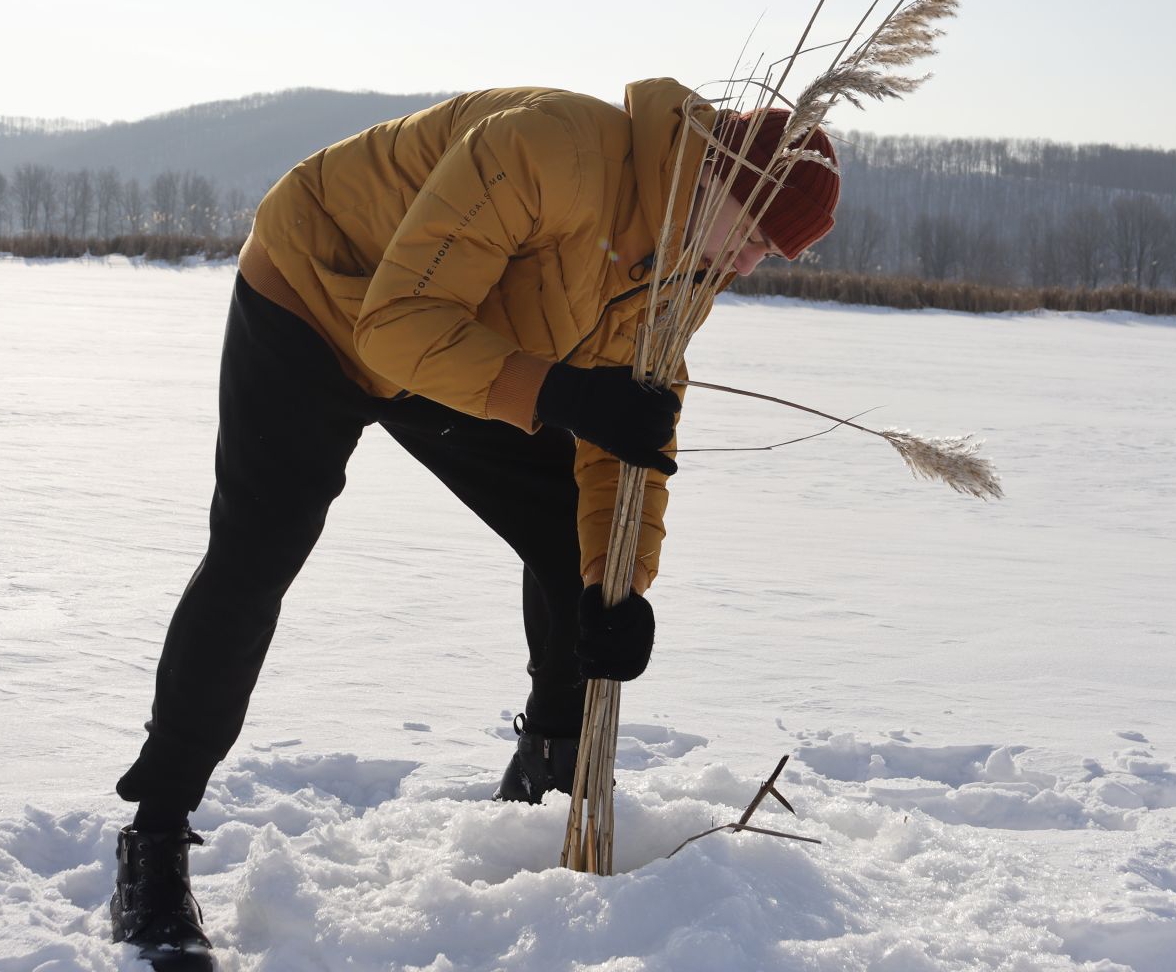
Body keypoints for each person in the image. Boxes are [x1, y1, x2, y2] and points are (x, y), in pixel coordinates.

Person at [107, 80, 840, 958]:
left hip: (455, 346)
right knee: (258, 553)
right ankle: (155, 836)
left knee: (574, 533)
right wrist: (565, 393)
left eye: (774, 254)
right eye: (758, 236)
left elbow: (631, 437)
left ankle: (549, 772)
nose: (756, 263)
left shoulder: (690, 260)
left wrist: (620, 591)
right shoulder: (549, 149)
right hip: (317, 298)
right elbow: (394, 325)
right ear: (718, 180)